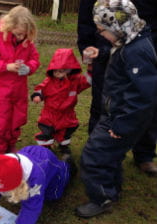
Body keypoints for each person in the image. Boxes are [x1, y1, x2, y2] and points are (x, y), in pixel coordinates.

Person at [76, 0, 157, 218]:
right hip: (116, 113)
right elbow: (119, 62)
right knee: (109, 155)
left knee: (92, 156)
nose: (100, 35)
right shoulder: (130, 42)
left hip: (121, 119)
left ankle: (102, 198)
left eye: (103, 30)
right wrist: (100, 54)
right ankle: (113, 188)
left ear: (118, 27)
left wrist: (121, 125)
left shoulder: (137, 52)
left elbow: (142, 97)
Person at [0, 5, 40, 155]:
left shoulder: (28, 44)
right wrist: (6, 67)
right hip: (0, 92)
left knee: (16, 119)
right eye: (19, 33)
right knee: (0, 122)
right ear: (10, 27)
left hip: (19, 91)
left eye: (24, 34)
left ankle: (11, 143)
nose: (21, 37)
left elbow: (35, 59)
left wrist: (29, 68)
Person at [0, 145, 73, 224]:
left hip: (47, 164)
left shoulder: (36, 180)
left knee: (53, 195)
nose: (2, 193)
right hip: (28, 156)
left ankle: (68, 166)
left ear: (20, 183)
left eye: (6, 190)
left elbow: (31, 208)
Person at [31, 48, 91, 157]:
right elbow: (41, 88)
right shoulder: (49, 81)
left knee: (66, 131)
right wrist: (37, 95)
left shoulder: (75, 81)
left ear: (69, 70)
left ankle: (63, 146)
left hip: (67, 114)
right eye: (55, 70)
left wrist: (91, 68)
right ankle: (45, 148)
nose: (58, 73)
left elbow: (87, 81)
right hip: (50, 114)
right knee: (46, 131)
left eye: (61, 70)